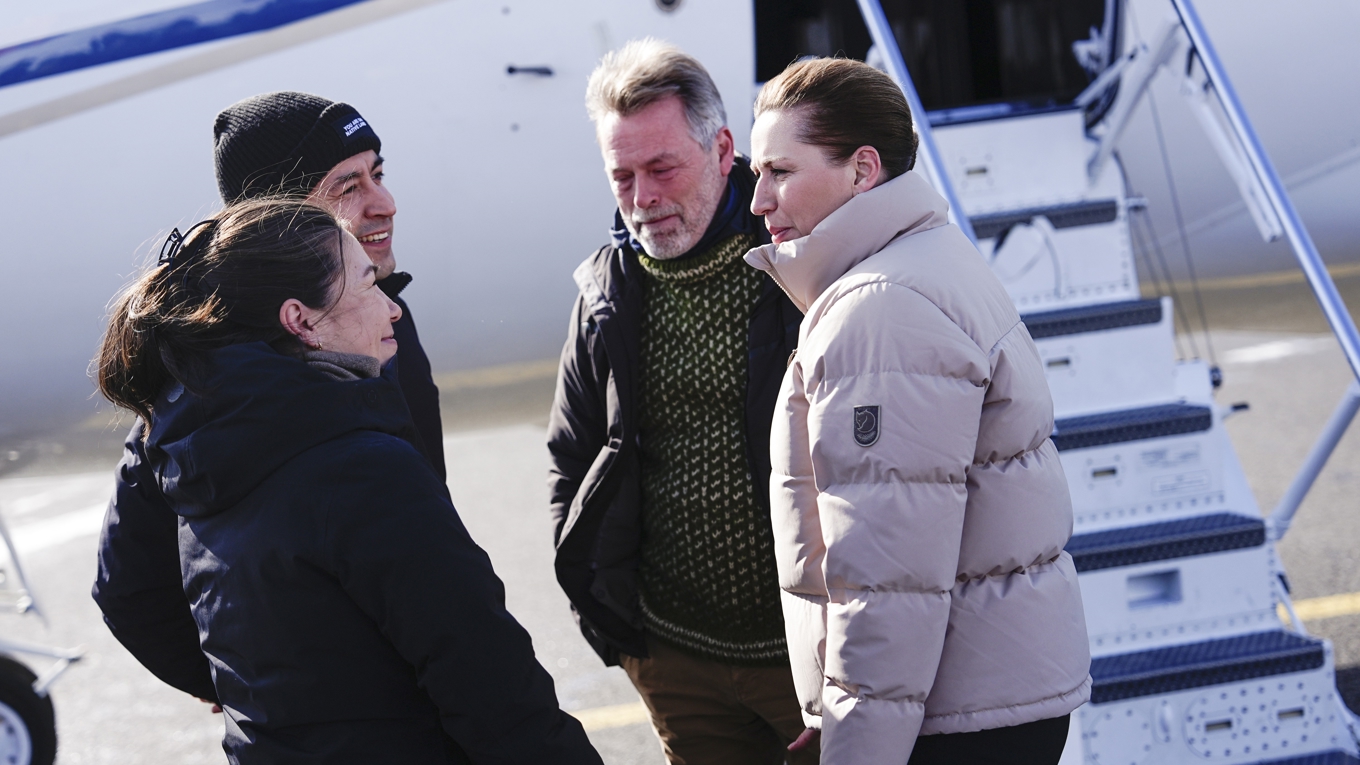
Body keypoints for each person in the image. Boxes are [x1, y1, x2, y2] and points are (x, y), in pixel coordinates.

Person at [91, 198, 601, 764]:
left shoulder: (194, 462)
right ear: (301, 321)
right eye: (367, 286)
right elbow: (490, 684)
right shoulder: (363, 471)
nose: (392, 308)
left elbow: (132, 594)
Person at [743, 58, 1092, 764]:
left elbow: (886, 575)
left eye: (780, 171)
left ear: (862, 170)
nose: (758, 199)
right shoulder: (926, 259)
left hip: (953, 721)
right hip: (982, 699)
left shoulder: (879, 308)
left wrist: (858, 744)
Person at [93, 92, 443, 702]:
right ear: (276, 218)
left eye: (378, 174)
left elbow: (423, 536)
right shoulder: (203, 369)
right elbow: (129, 586)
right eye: (346, 186)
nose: (384, 202)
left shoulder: (386, 318)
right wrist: (259, 686)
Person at [547, 39, 811, 764]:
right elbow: (570, 458)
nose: (643, 199)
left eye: (662, 168)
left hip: (811, 663)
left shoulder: (805, 265)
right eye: (621, 177)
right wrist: (620, 635)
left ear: (724, 150)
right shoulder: (608, 291)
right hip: (677, 668)